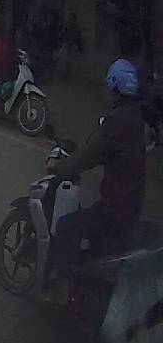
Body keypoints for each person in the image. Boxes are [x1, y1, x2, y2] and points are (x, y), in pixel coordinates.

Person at [45, 58, 148, 302]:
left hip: (114, 210)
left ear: (114, 88)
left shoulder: (116, 124)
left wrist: (58, 168)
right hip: (131, 207)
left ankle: (60, 288)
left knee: (66, 225)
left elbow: (87, 157)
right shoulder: (135, 118)